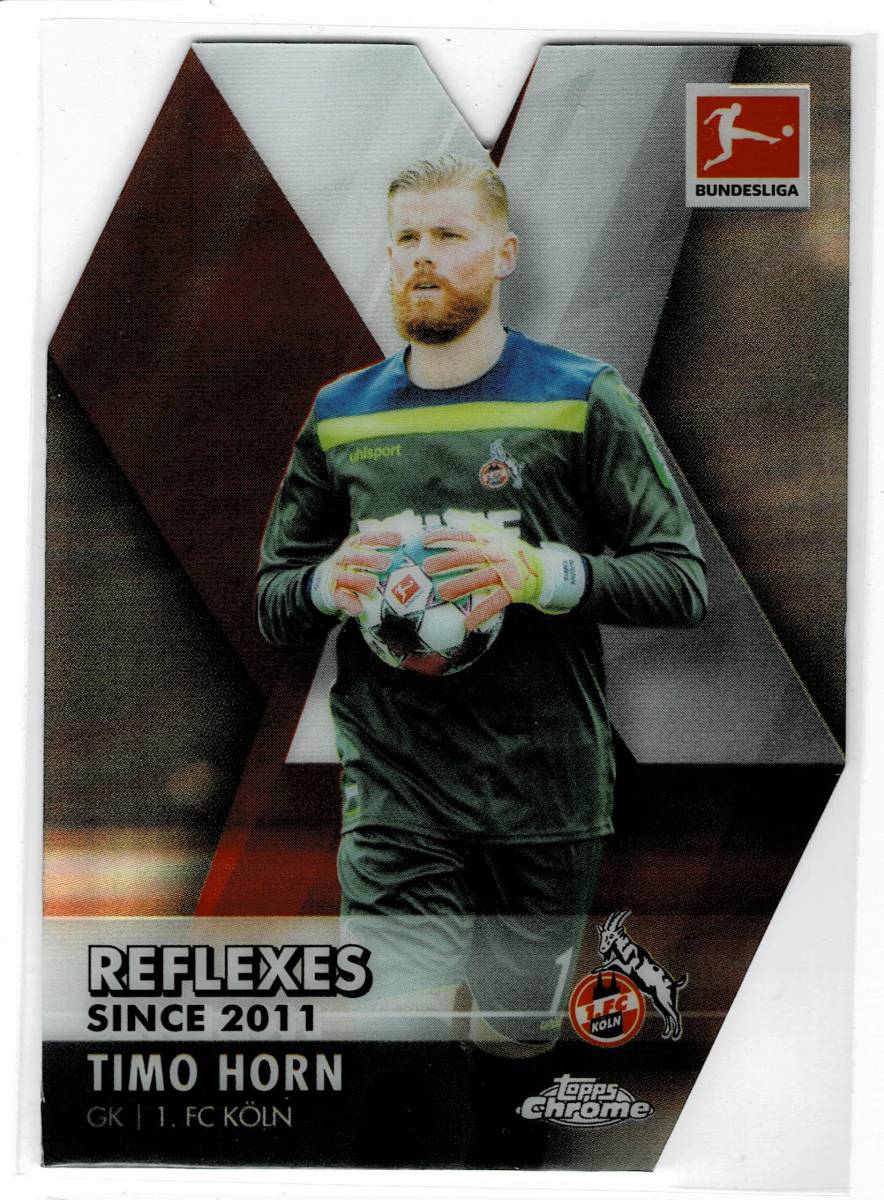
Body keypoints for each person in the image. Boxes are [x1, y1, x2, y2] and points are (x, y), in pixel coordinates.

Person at [256, 153, 707, 1166]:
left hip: (544, 794)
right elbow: (276, 599)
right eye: (406, 238)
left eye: (449, 235)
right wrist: (325, 585)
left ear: (503, 253)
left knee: (514, 1064)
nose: (423, 257)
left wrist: (537, 572)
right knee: (396, 1058)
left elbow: (679, 582)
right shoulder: (342, 414)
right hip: (397, 793)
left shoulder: (581, 398)